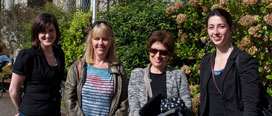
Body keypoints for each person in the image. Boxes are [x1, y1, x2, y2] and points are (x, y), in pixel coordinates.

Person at [199, 8, 261, 116]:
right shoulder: (206, 61)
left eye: (221, 26)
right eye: (211, 27)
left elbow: (251, 105)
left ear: (231, 29)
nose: (215, 32)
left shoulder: (244, 60)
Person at [64, 21, 129, 116]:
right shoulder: (78, 67)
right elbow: (69, 99)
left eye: (105, 39)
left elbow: (124, 101)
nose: (100, 43)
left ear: (111, 42)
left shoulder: (118, 69)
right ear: (91, 41)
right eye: (97, 39)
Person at [9, 13, 65, 116]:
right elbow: (13, 90)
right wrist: (22, 110)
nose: (47, 35)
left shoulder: (59, 54)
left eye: (51, 30)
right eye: (43, 31)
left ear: (56, 31)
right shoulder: (27, 56)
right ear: (37, 34)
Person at [128, 30, 192, 116]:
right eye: (154, 51)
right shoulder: (137, 75)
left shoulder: (178, 75)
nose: (157, 56)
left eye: (163, 52)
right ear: (149, 51)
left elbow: (187, 107)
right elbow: (134, 107)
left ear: (169, 55)